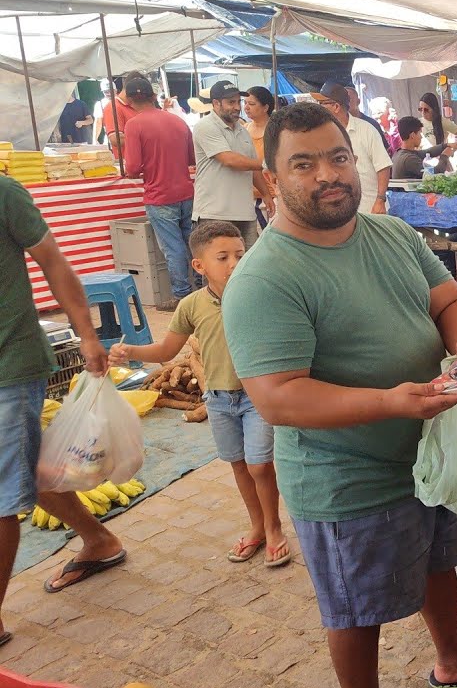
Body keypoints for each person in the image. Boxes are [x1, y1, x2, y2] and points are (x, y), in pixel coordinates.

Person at [222, 101, 457, 688]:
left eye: (338, 157)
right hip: (347, 475)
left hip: (425, 449)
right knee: (356, 611)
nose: (327, 175)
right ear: (273, 178)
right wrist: (392, 402)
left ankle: (456, 660)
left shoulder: (391, 233)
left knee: (440, 562)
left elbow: (450, 301)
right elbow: (280, 399)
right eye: (304, 164)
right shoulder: (265, 278)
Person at [109, 221, 291, 567]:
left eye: (240, 254)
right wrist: (130, 351)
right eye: (222, 257)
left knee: (260, 464)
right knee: (238, 465)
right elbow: (166, 349)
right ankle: (257, 528)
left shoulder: (260, 294)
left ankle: (274, 525)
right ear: (199, 265)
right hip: (219, 401)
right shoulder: (192, 305)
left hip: (256, 398)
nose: (234, 263)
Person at [1, 175, 125, 612]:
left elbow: (54, 263)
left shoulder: (4, 193)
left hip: (9, 364)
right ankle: (98, 539)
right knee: (26, 473)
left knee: (4, 494)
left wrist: (87, 336)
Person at [122, 76, 197, 310]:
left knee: (173, 248)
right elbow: (191, 159)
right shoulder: (178, 121)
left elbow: (132, 168)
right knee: (193, 242)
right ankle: (205, 288)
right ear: (153, 97)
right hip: (186, 191)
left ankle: (182, 296)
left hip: (159, 195)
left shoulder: (134, 125)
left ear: (131, 100)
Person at [193, 81, 273, 246]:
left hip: (245, 213)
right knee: (217, 267)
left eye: (239, 102)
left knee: (247, 267)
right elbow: (229, 160)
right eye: (231, 102)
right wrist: (269, 164)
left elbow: (252, 168)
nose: (238, 107)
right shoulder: (205, 126)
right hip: (215, 214)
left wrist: (266, 194)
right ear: (216, 103)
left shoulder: (243, 130)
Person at [312, 82, 392, 216]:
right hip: (341, 211)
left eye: (322, 104)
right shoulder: (322, 134)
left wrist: (380, 199)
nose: (319, 108)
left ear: (336, 106)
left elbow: (383, 166)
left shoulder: (366, 130)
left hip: (370, 208)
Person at [243, 86, 275, 228]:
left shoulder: (275, 131)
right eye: (245, 103)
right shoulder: (244, 130)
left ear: (265, 107)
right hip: (249, 196)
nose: (246, 108)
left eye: (251, 104)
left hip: (273, 196)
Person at [418, 92, 457, 175]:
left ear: (434, 109)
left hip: (442, 161)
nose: (423, 112)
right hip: (425, 161)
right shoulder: (418, 122)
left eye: (426, 110)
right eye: (420, 109)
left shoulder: (443, 122)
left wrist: (453, 149)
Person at [96, 76, 140, 158]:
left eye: (111, 91)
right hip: (125, 157)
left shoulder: (133, 104)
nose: (109, 93)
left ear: (116, 90)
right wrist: (95, 139)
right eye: (106, 92)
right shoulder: (107, 105)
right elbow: (98, 122)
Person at [346, 85, 391, 153]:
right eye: (343, 100)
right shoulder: (338, 125)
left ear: (358, 102)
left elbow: (384, 150)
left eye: (349, 99)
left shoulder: (371, 124)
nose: (346, 103)